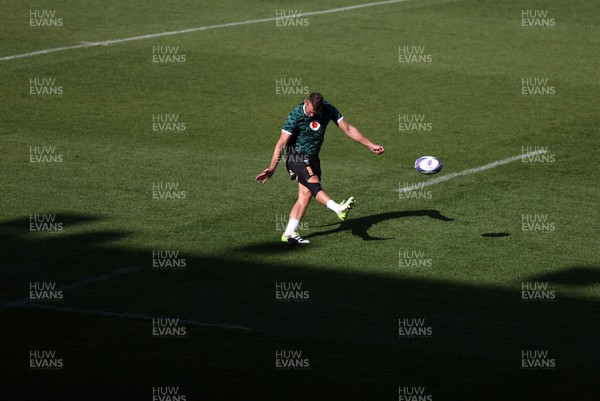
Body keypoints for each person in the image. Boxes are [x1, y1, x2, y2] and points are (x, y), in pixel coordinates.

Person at [255, 92, 384, 244]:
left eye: (314, 113)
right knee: (313, 182)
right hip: (296, 156)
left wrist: (370, 145)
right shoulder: (295, 115)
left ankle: (289, 234)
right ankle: (338, 208)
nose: (311, 115)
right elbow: (281, 144)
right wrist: (272, 168)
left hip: (313, 157)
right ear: (305, 102)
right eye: (309, 111)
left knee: (306, 195)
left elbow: (348, 128)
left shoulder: (328, 109)